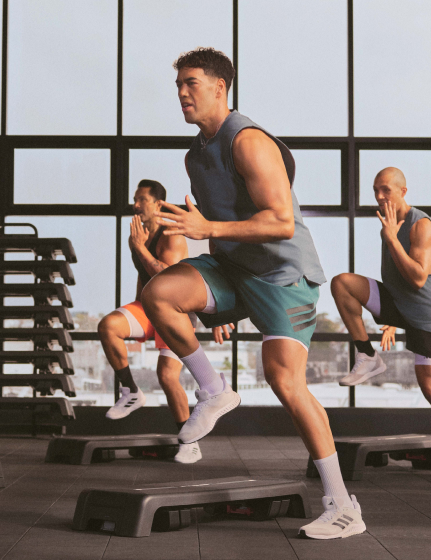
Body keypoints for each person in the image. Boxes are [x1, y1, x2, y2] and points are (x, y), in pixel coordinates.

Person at [141, 47, 364, 540]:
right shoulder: (195, 153)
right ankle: (215, 391)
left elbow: (281, 222)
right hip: (233, 267)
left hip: (283, 276)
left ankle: (342, 504)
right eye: (178, 84)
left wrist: (207, 226)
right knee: (161, 294)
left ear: (220, 87)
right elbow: (217, 227)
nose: (181, 93)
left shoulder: (250, 141)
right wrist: (208, 257)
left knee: (285, 382)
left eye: (191, 83)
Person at [329, 168, 431, 480]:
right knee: (343, 284)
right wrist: (390, 319)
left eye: (386, 190)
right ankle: (367, 356)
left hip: (426, 314)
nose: (379, 196)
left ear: (403, 191)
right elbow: (395, 278)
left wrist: (391, 238)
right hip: (400, 304)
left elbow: (417, 278)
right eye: (375, 190)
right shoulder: (388, 225)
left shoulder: (422, 227)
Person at [98, 180, 201, 463]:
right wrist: (133, 316)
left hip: (174, 310)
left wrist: (140, 249)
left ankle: (190, 442)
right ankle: (130, 391)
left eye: (141, 199)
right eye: (135, 199)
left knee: (167, 376)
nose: (135, 205)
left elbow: (166, 278)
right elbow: (144, 279)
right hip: (148, 306)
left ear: (157, 203)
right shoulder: (140, 234)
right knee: (108, 326)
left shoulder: (172, 236)